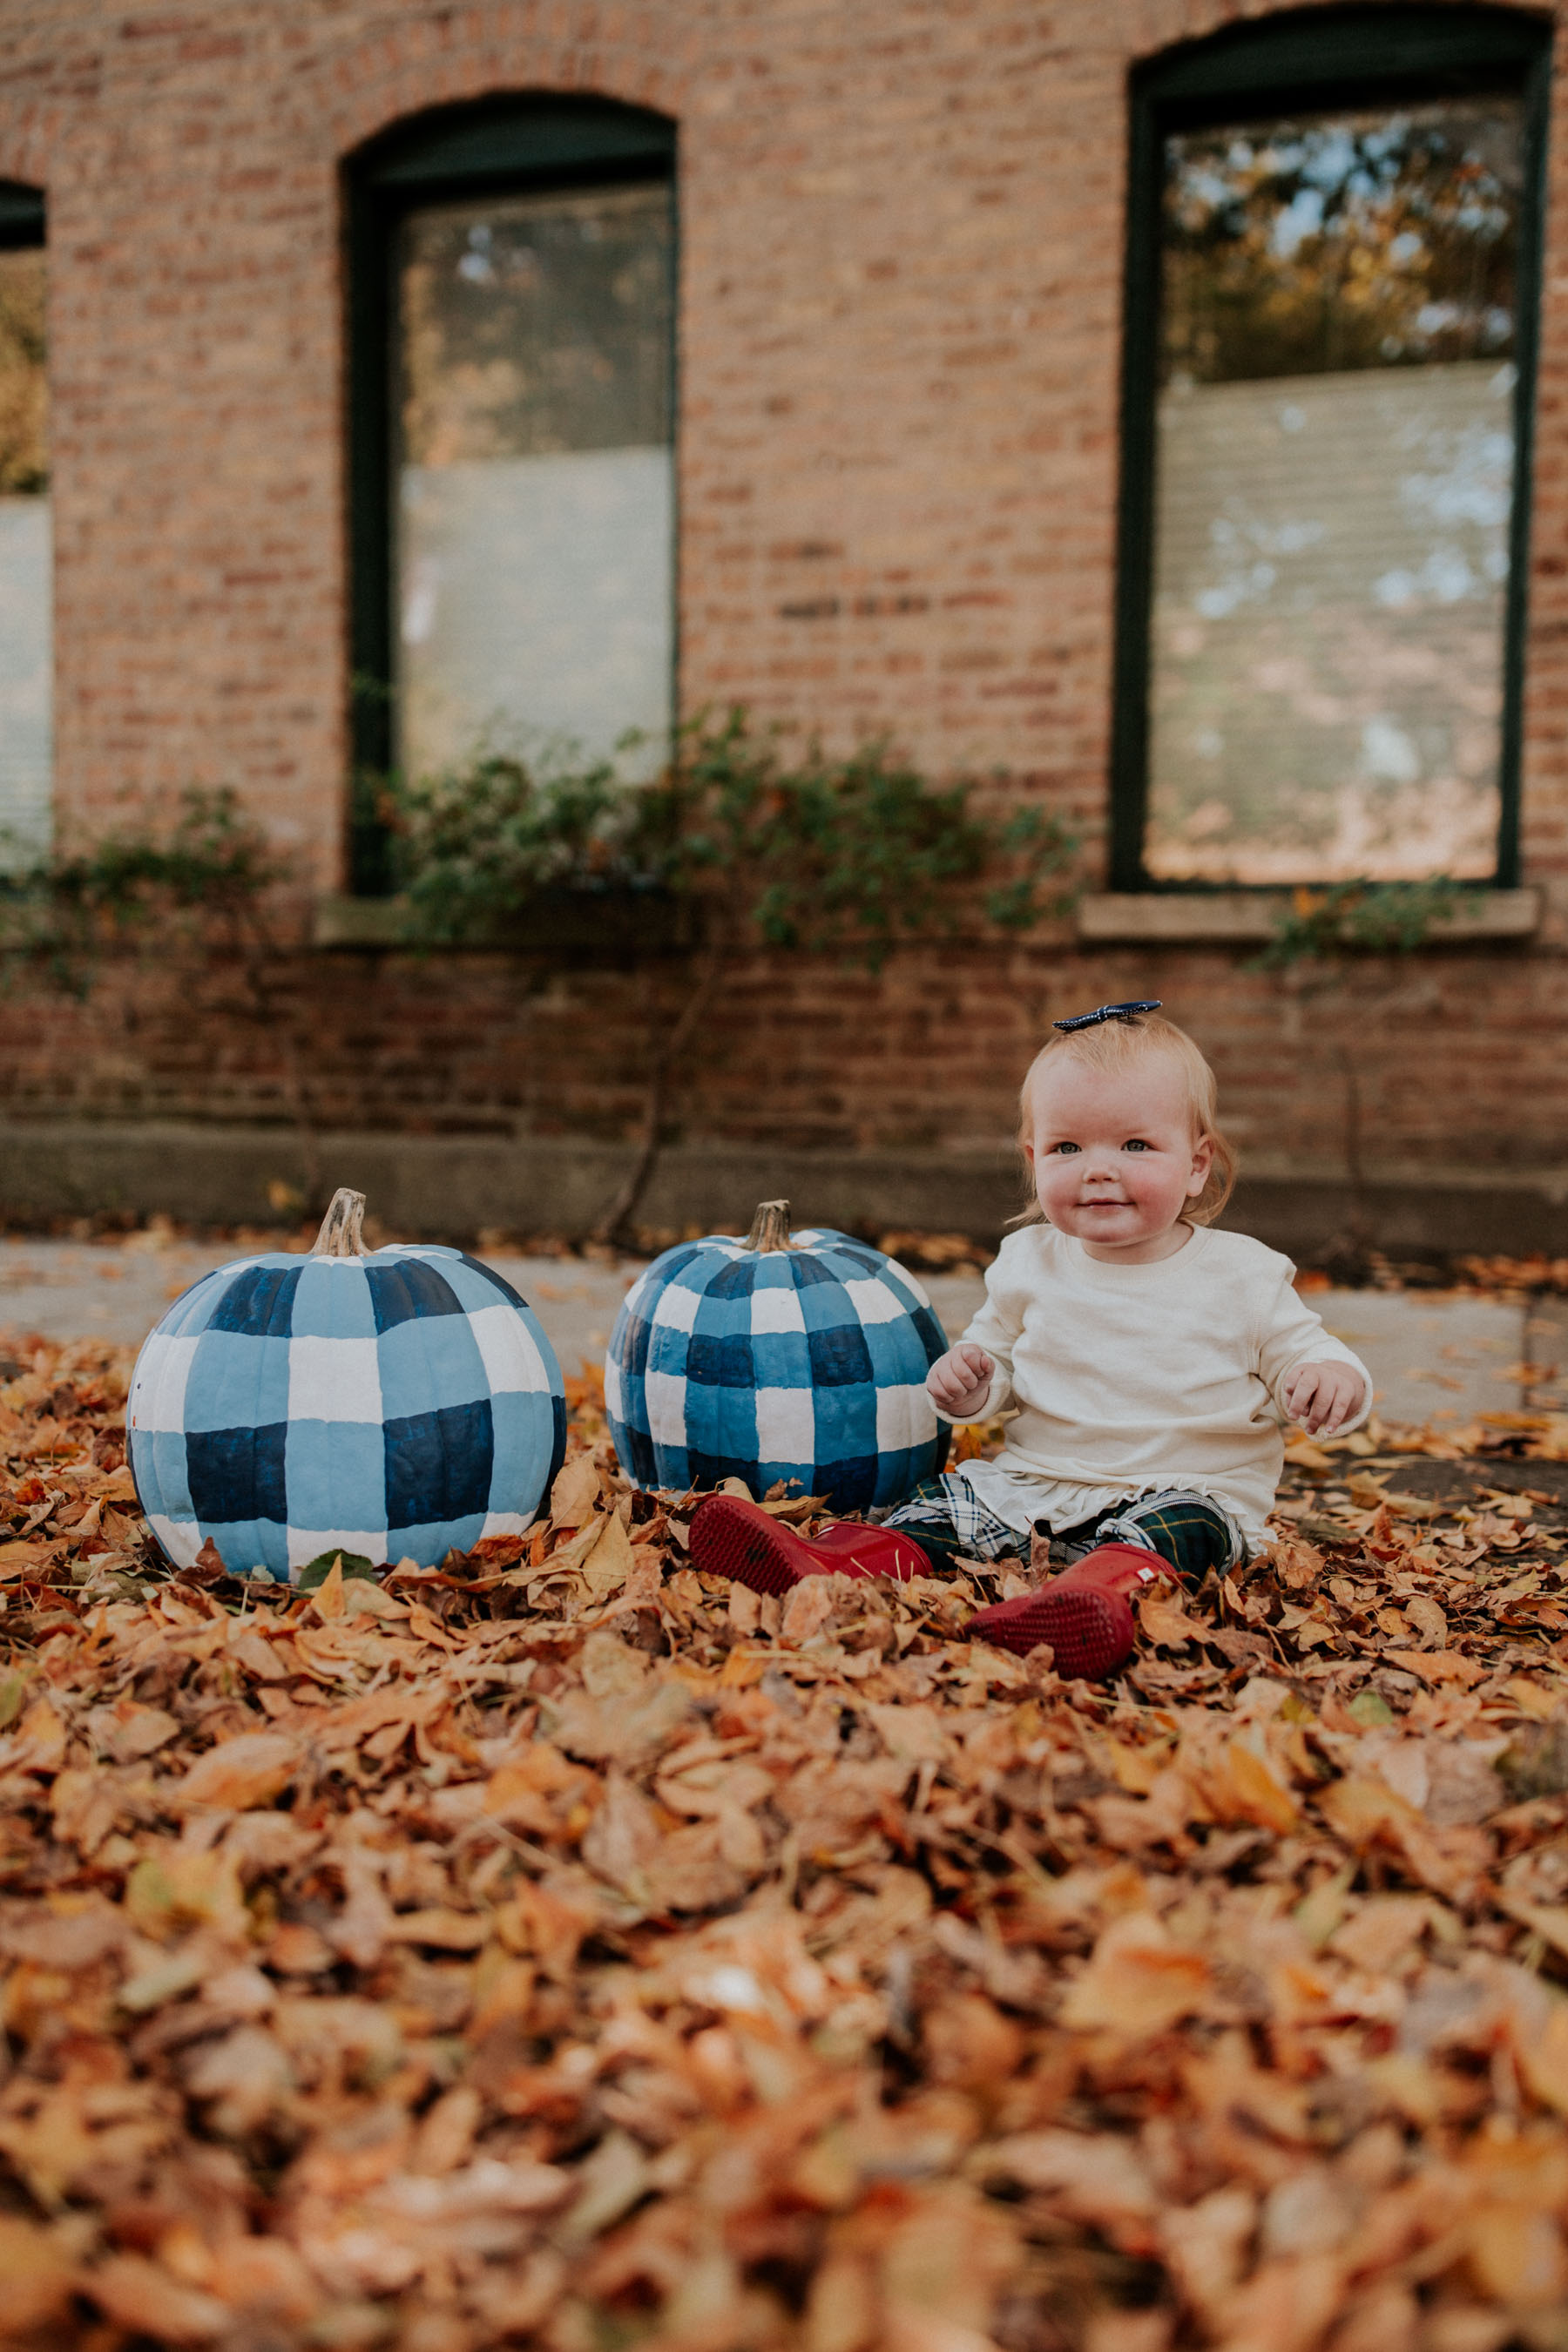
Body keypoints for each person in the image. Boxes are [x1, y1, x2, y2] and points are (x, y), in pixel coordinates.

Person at [688, 1003, 1371, 1680]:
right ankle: (834, 1560)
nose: (1097, 1169)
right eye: (1067, 1148)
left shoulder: (1242, 1273)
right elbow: (996, 1365)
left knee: (1182, 1531)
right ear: (1032, 1158)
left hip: (1188, 1485)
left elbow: (1303, 1352)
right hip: (1038, 1486)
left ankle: (1096, 1599)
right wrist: (972, 1384)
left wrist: (1328, 1380)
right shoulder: (1027, 1263)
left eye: (1135, 1145)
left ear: (1196, 1165)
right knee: (944, 1506)